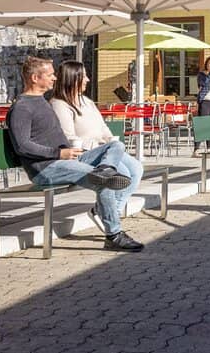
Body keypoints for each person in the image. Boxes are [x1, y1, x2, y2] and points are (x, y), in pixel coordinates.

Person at [7, 56, 144, 252]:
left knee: (116, 147)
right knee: (103, 181)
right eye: (50, 75)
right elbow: (22, 146)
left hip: (66, 159)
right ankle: (113, 235)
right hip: (47, 168)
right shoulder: (22, 107)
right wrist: (58, 153)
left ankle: (107, 168)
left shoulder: (41, 101)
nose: (55, 78)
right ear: (35, 78)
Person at [49, 60, 145, 246]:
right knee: (121, 175)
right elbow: (69, 138)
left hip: (105, 150)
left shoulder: (87, 101)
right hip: (86, 153)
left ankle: (105, 212)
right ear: (72, 78)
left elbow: (102, 126)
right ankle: (109, 219)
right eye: (83, 76)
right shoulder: (59, 105)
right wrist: (100, 146)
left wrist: (111, 140)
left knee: (136, 169)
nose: (88, 79)